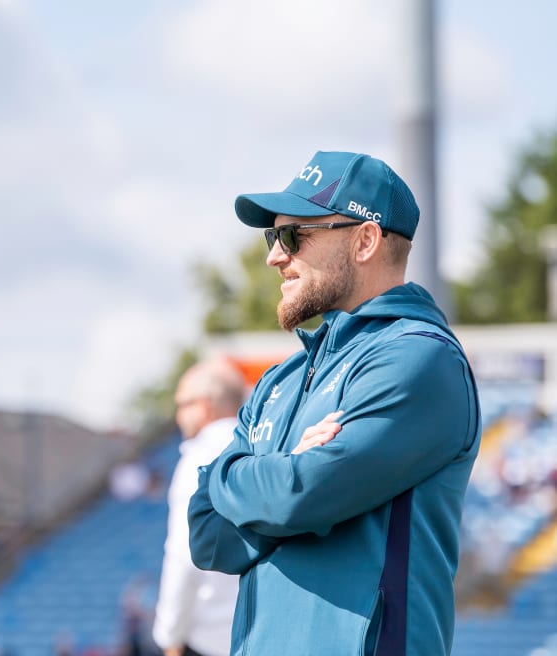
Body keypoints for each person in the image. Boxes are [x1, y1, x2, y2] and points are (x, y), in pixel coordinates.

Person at [187, 151, 482, 656]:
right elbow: (206, 535)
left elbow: (301, 496)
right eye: (271, 237)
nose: (274, 257)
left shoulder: (419, 359)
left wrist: (238, 480)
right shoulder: (282, 379)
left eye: (293, 236)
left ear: (365, 239)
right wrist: (277, 483)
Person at [152, 357, 245, 656]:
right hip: (258, 630)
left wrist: (170, 637)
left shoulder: (197, 458)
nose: (178, 415)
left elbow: (184, 555)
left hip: (209, 639)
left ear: (204, 406)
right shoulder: (262, 447)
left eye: (183, 403)